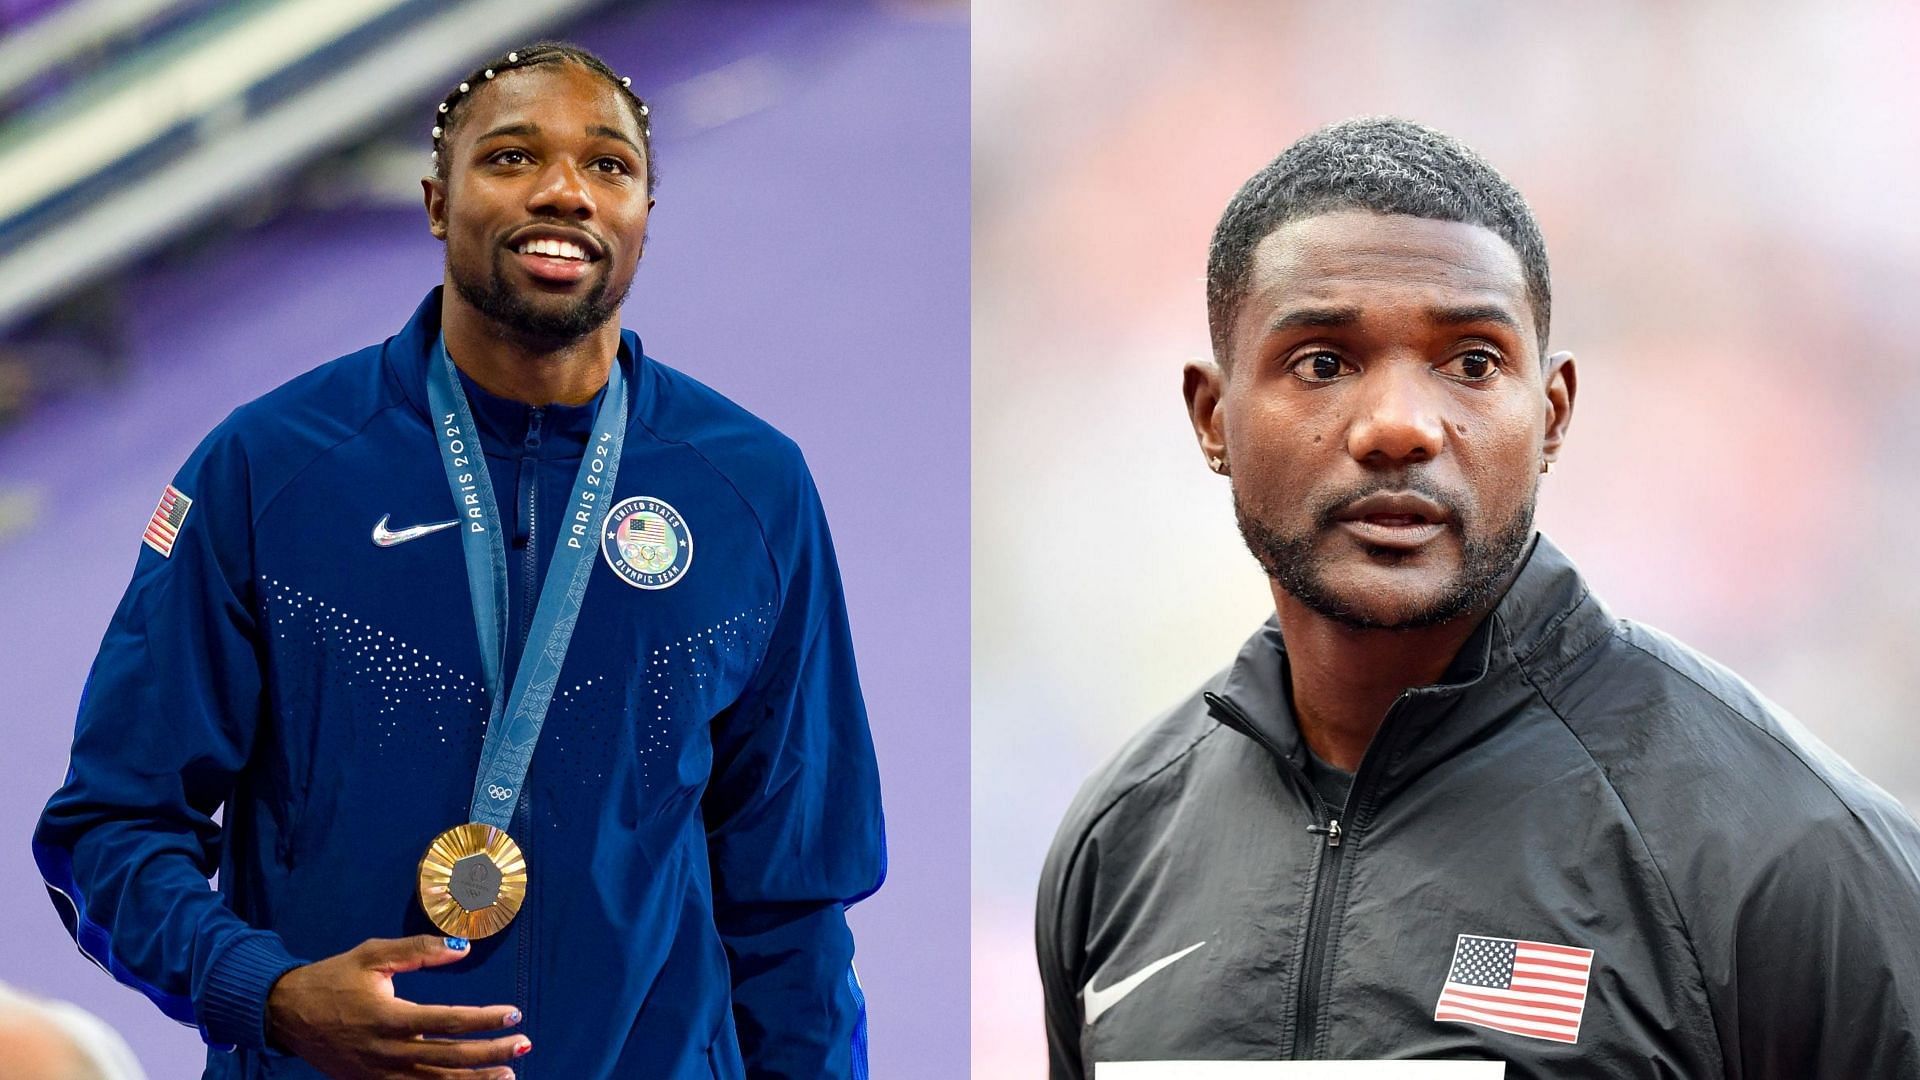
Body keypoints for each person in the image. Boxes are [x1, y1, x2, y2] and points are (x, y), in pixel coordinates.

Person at [34, 41, 883, 1080]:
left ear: (645, 218)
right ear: (437, 202)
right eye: (513, 157)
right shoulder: (271, 470)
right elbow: (113, 826)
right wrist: (271, 995)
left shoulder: (750, 490)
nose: (567, 190)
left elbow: (791, 893)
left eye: (609, 166)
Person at [1035, 117, 1920, 1078]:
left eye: (1471, 363)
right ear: (1213, 417)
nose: (1399, 427)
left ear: (1552, 413)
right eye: (1323, 362)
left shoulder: (1786, 850)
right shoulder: (1119, 843)